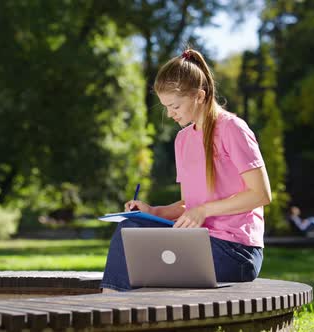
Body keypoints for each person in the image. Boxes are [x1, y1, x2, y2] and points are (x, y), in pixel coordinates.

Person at [100, 48, 272, 293]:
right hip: (196, 241)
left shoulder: (233, 128)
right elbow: (189, 205)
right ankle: (112, 306)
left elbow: (261, 195)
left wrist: (204, 210)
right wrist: (153, 211)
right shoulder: (182, 140)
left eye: (174, 106)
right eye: (165, 107)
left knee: (138, 255)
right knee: (130, 230)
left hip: (236, 251)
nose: (170, 114)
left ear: (199, 96)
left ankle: (111, 312)